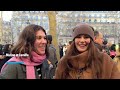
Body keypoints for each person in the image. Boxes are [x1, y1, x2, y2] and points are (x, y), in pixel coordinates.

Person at [54, 23, 120, 79]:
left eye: (86, 37)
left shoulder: (105, 60)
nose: (82, 41)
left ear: (91, 40)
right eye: (78, 37)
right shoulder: (64, 62)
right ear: (74, 40)